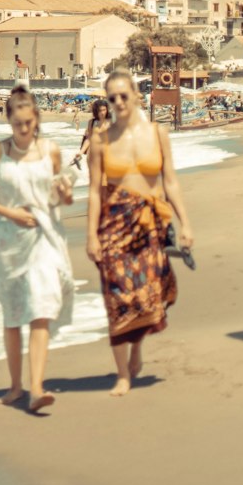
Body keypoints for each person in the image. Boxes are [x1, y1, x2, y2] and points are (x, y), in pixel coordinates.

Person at [87, 70, 194, 397]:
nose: (118, 102)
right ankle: (122, 374)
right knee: (118, 296)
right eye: (112, 97)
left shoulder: (157, 134)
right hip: (114, 225)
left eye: (123, 95)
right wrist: (91, 235)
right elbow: (93, 192)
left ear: (136, 94)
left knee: (145, 293)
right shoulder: (100, 141)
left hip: (149, 224)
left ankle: (136, 349)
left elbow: (171, 181)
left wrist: (185, 222)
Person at [0, 85, 75, 413]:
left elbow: (60, 198)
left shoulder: (51, 151)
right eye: (19, 125)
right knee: (14, 315)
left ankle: (37, 388)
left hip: (43, 236)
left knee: (41, 307)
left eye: (29, 123)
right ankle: (16, 387)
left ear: (37, 119)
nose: (25, 130)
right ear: (9, 122)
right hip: (7, 241)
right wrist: (11, 213)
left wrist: (65, 193)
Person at [71, 97, 111, 171]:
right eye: (100, 110)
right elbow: (89, 139)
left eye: (104, 110)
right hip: (93, 153)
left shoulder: (111, 121)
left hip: (109, 153)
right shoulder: (92, 122)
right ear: (96, 111)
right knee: (94, 176)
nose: (102, 113)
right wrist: (80, 152)